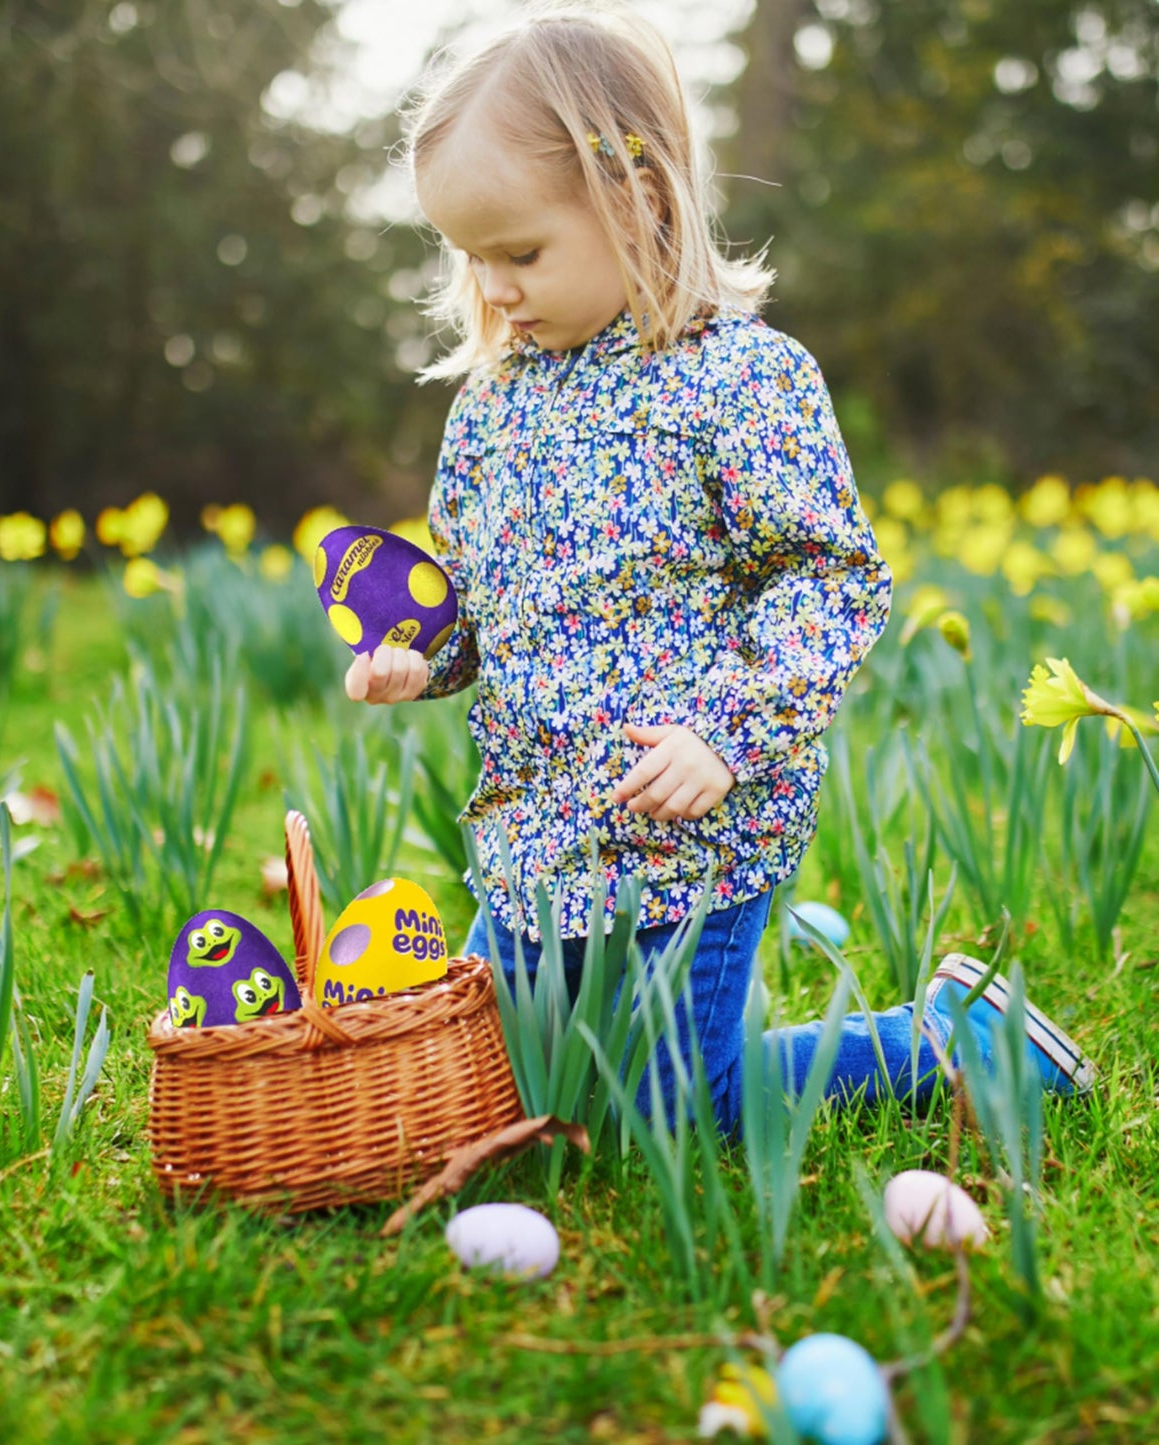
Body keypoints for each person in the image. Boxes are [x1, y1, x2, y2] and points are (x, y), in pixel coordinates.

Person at [344, 3, 1094, 1130]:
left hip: (685, 830)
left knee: (679, 1102)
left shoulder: (734, 378)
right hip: (533, 829)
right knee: (516, 1085)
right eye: (468, 256)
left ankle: (943, 1033)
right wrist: (427, 657)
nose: (491, 288)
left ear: (636, 198)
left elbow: (829, 579)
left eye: (521, 252)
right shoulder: (489, 409)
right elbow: (487, 607)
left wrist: (724, 734)